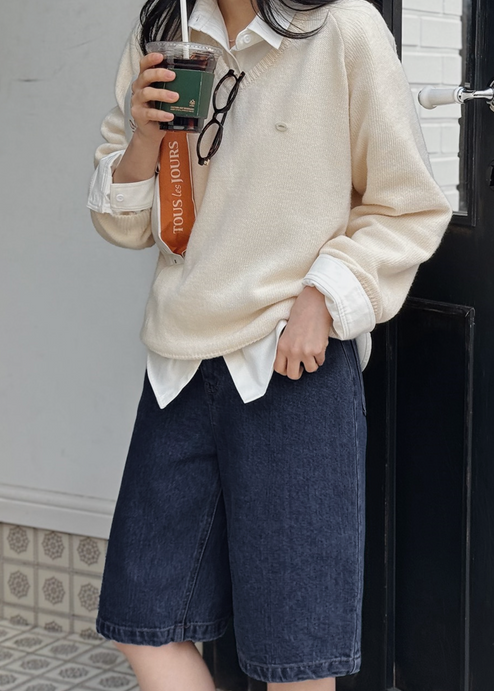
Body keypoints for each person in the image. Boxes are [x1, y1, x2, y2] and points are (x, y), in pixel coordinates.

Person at [87, 0, 452, 687]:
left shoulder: (345, 29)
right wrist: (142, 137)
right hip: (179, 366)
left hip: (290, 367)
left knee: (296, 660)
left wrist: (324, 295)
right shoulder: (164, 30)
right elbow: (129, 225)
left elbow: (408, 204)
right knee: (145, 624)